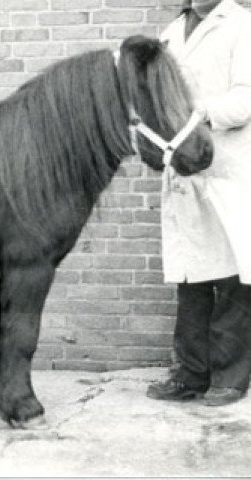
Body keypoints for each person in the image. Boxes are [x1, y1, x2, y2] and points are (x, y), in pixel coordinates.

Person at [146, 0, 251, 406]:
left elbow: (246, 99)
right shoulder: (171, 32)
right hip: (185, 164)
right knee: (191, 276)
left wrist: (195, 113)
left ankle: (229, 377)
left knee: (231, 278)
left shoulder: (241, 25)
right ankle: (191, 374)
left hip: (228, 167)